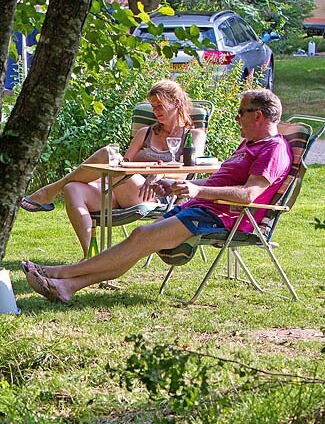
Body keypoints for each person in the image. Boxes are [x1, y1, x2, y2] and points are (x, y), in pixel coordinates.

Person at [22, 89, 291, 303]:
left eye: (241, 113)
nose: (237, 118)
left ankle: (57, 273)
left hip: (223, 217)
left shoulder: (272, 150)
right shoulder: (249, 144)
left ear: (258, 116)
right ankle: (68, 286)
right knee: (139, 242)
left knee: (141, 238)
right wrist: (178, 185)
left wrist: (198, 190)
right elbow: (217, 179)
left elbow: (249, 194)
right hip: (201, 208)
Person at [20, 79, 206, 256]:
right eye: (153, 106)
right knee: (73, 188)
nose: (155, 111)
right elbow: (124, 163)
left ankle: (50, 191)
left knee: (107, 155)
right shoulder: (145, 133)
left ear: (176, 103)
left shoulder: (194, 135)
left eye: (160, 105)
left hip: (157, 192)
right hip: (123, 189)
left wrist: (159, 174)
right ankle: (90, 256)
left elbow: (188, 171)